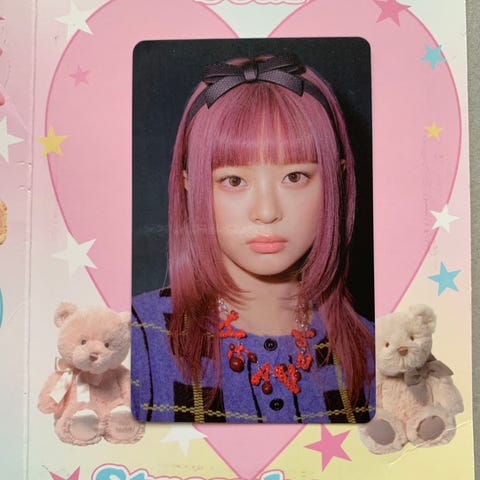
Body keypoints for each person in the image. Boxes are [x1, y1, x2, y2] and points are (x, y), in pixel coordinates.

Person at [131, 53, 375, 423]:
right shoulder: (127, 343)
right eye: (234, 180)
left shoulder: (383, 355)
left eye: (294, 177)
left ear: (336, 181)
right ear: (190, 186)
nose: (266, 211)